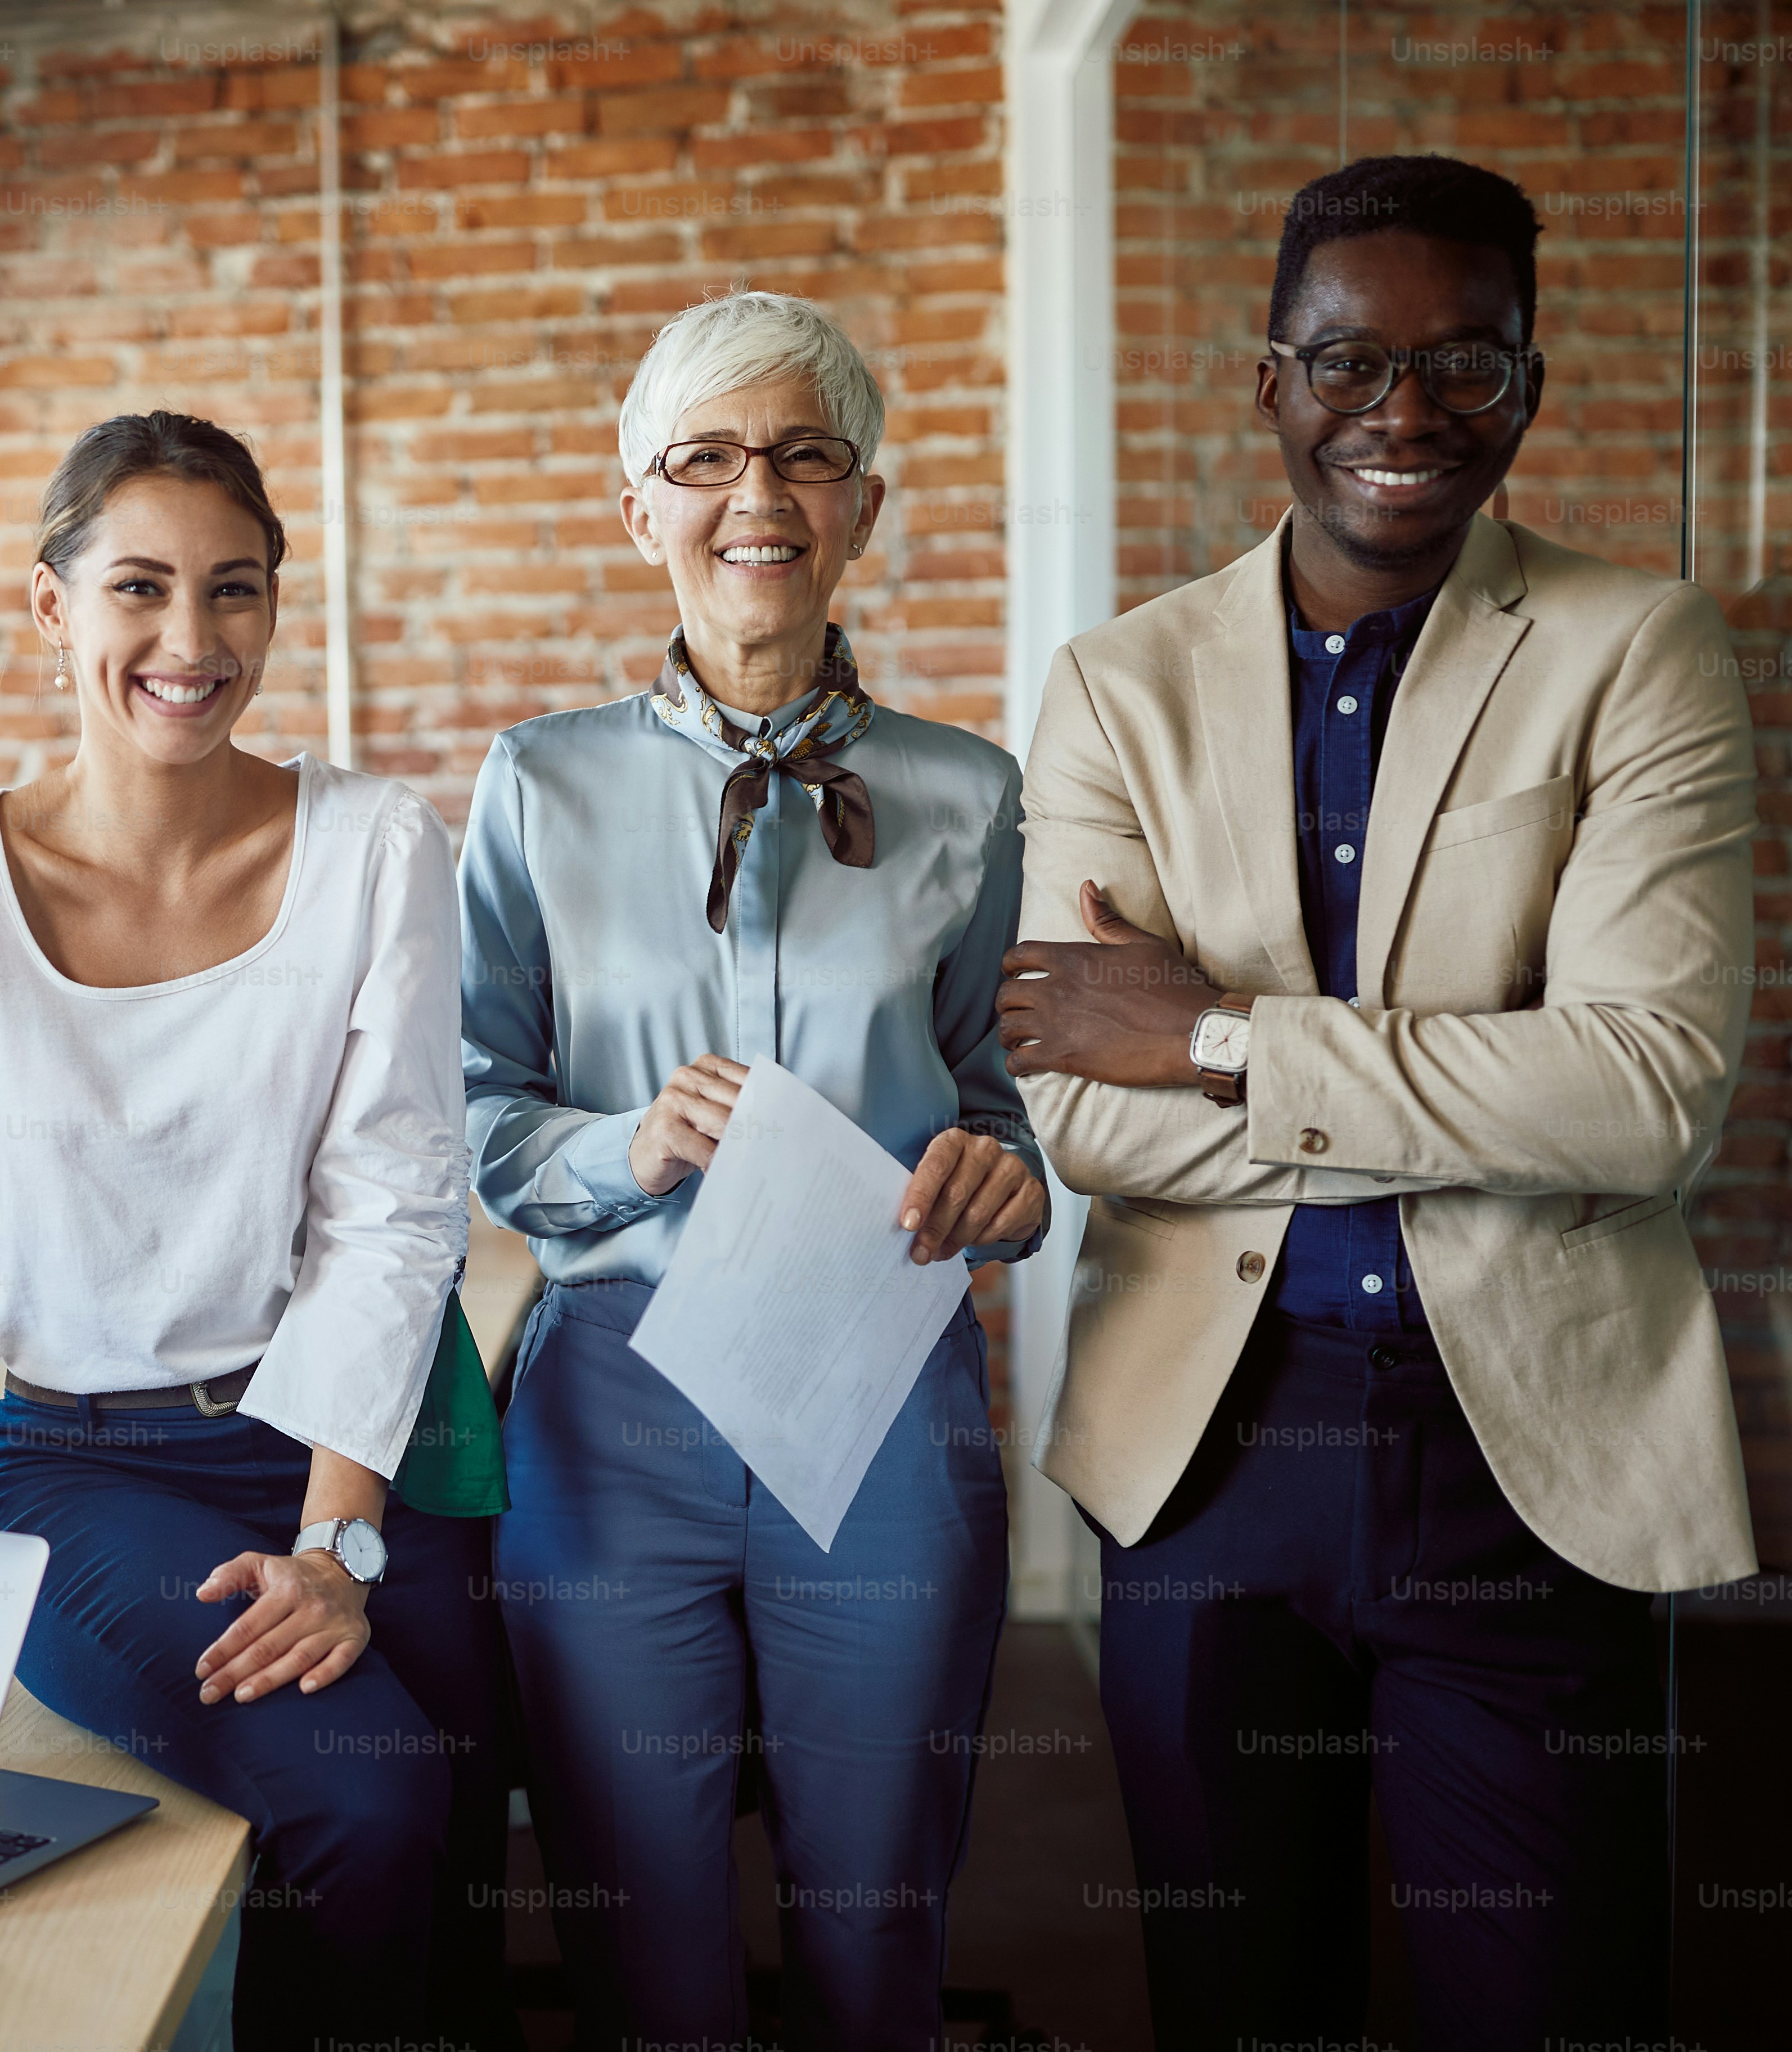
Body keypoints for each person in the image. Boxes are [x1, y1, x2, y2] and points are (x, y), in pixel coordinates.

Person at [999, 155, 1757, 2046]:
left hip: (1528, 1456)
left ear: (1529, 382)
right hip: (1207, 1462)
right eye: (1349, 364)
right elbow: (1086, 1115)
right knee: (1239, 1998)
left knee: (1552, 2000)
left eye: (1465, 365)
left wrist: (1224, 1038)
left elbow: (1645, 1092)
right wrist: (1476, 1077)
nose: (1405, 414)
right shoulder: (1118, 686)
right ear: (1272, 383)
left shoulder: (1634, 650)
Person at [0, 413, 506, 2050]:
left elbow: (395, 1214)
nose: (191, 644)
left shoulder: (377, 850)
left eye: (237, 593)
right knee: (370, 1799)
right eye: (140, 588)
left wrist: (339, 1545)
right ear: (51, 607)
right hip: (86, 1464)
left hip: (350, 1449)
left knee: (467, 1836)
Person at [460, 290, 1047, 2049]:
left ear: (863, 505)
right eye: (703, 459)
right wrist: (623, 1145)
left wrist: (1007, 1182)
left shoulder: (970, 793)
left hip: (881, 1402)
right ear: (642, 507)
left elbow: (1003, 1104)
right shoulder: (536, 788)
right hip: (605, 1425)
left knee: (877, 1938)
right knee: (643, 1949)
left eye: (804, 455)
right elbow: (475, 1120)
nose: (756, 498)